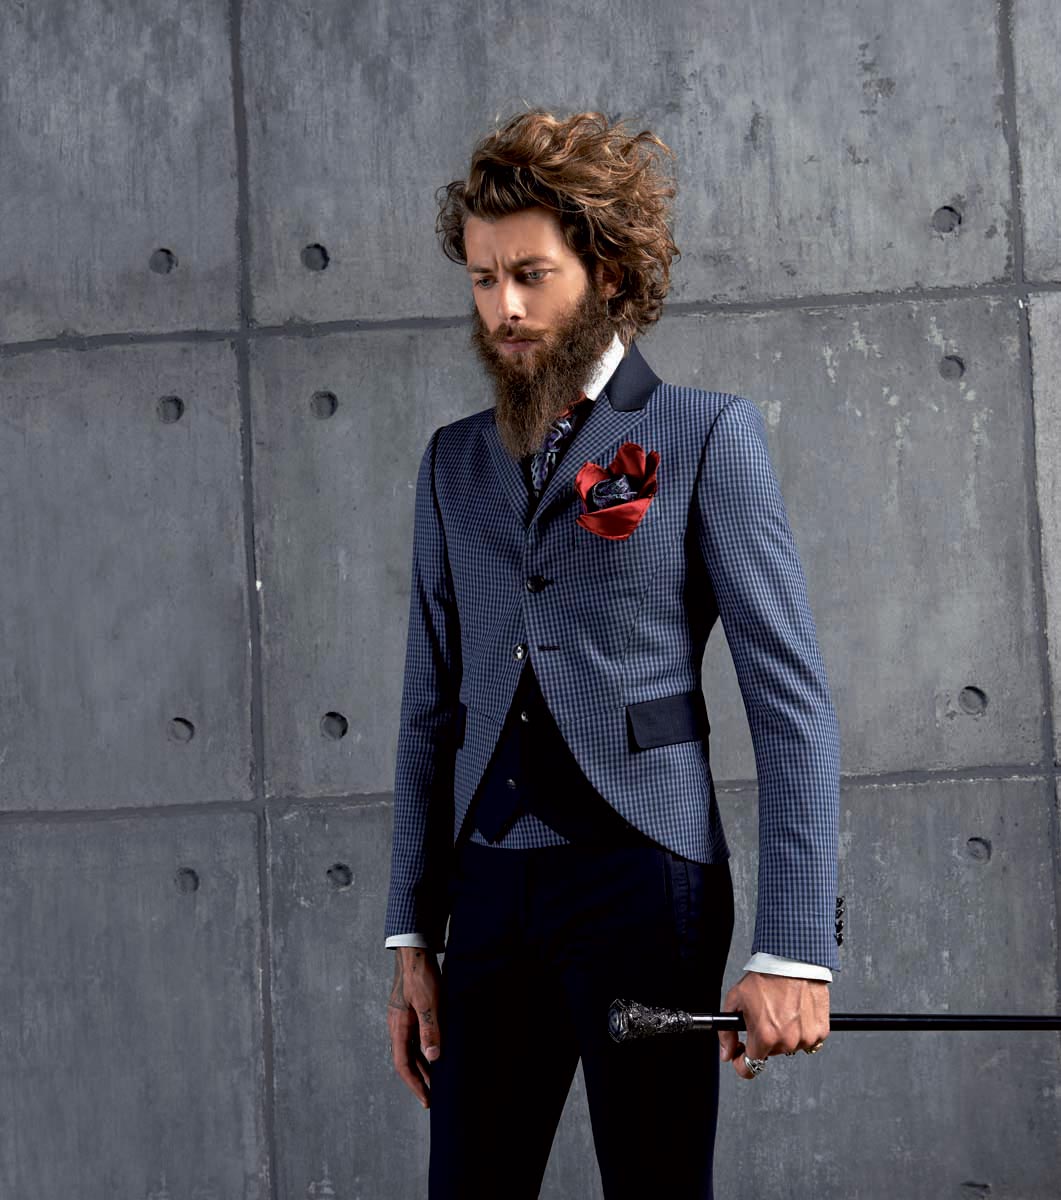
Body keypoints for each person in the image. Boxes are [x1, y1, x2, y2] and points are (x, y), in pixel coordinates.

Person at [384, 107, 840, 1199]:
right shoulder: (451, 463)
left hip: (645, 879)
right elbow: (428, 707)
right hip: (488, 886)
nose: (503, 307)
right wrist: (409, 931)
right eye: (483, 279)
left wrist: (792, 948)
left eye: (529, 276)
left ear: (608, 271)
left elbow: (788, 703)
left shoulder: (703, 434)